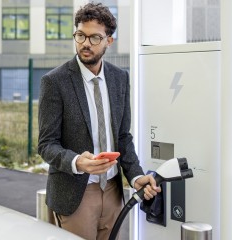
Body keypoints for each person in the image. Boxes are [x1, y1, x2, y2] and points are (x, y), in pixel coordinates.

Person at [37, 3, 160, 240]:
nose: (85, 43)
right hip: (75, 195)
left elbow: (123, 137)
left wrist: (135, 176)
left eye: (95, 38)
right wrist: (76, 162)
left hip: (113, 191)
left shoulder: (119, 78)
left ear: (108, 41)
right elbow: (46, 144)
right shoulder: (54, 81)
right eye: (80, 35)